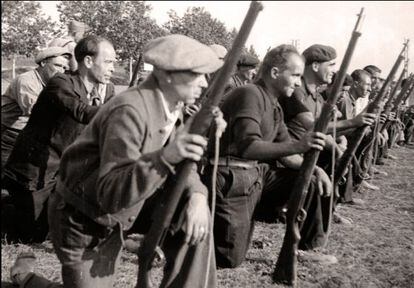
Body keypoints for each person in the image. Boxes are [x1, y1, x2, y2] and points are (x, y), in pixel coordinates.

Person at [10, 34, 224, 288]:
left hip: (127, 203)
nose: (204, 83)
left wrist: (198, 195)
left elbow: (182, 162)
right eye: (196, 75)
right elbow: (110, 193)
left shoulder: (171, 104)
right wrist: (168, 156)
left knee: (194, 213)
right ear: (167, 74)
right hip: (85, 219)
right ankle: (25, 278)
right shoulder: (130, 111)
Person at [203, 44, 336, 269]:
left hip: (254, 174)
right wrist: (299, 144)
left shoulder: (275, 105)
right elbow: (249, 147)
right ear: (275, 73)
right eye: (294, 75)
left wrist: (315, 169)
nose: (297, 82)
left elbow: (287, 154)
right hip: (229, 177)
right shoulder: (249, 94)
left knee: (308, 180)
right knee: (228, 259)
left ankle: (305, 249)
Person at [2, 35, 116, 243]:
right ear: (88, 62)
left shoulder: (101, 90)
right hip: (33, 170)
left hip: (63, 171)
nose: (113, 68)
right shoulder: (61, 82)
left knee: (57, 229)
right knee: (30, 236)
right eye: (108, 62)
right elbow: (81, 112)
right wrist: (121, 111)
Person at [1, 47, 71, 169]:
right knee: (7, 176)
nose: (61, 71)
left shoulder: (52, 83)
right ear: (43, 63)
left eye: (64, 68)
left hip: (30, 134)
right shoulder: (27, 80)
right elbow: (35, 111)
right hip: (10, 134)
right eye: (58, 65)